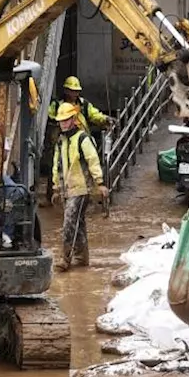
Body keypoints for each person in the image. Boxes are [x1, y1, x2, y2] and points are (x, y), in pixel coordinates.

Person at [50, 103, 107, 271]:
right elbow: (57, 165)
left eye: (66, 120)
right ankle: (83, 258)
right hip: (68, 189)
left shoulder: (83, 139)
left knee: (69, 221)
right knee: (78, 223)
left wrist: (100, 183)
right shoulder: (61, 141)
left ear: (74, 120)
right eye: (61, 121)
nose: (63, 124)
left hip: (82, 189)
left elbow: (93, 160)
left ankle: (65, 259)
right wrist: (55, 187)